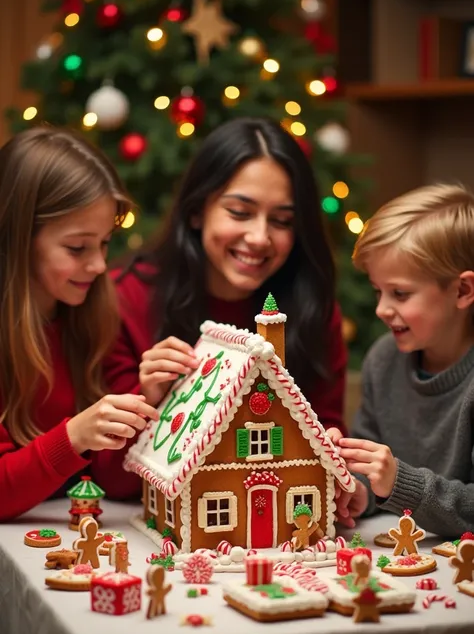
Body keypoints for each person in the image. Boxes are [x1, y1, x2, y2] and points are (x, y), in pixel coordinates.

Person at [107, 117, 348, 435]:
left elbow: (328, 426)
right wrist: (149, 397)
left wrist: (331, 445)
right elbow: (104, 471)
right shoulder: (126, 297)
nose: (260, 237)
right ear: (197, 211)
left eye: (282, 221)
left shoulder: (311, 305)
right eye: (240, 212)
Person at [0, 127, 158, 522]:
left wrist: (149, 396)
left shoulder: (89, 313)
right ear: (19, 238)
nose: (100, 265)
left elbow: (113, 481)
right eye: (77, 247)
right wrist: (73, 437)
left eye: (105, 243)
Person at [335, 184, 474, 538]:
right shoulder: (383, 360)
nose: (381, 309)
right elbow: (369, 467)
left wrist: (401, 482)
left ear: (462, 291)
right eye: (377, 291)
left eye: (400, 293)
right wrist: (360, 490)